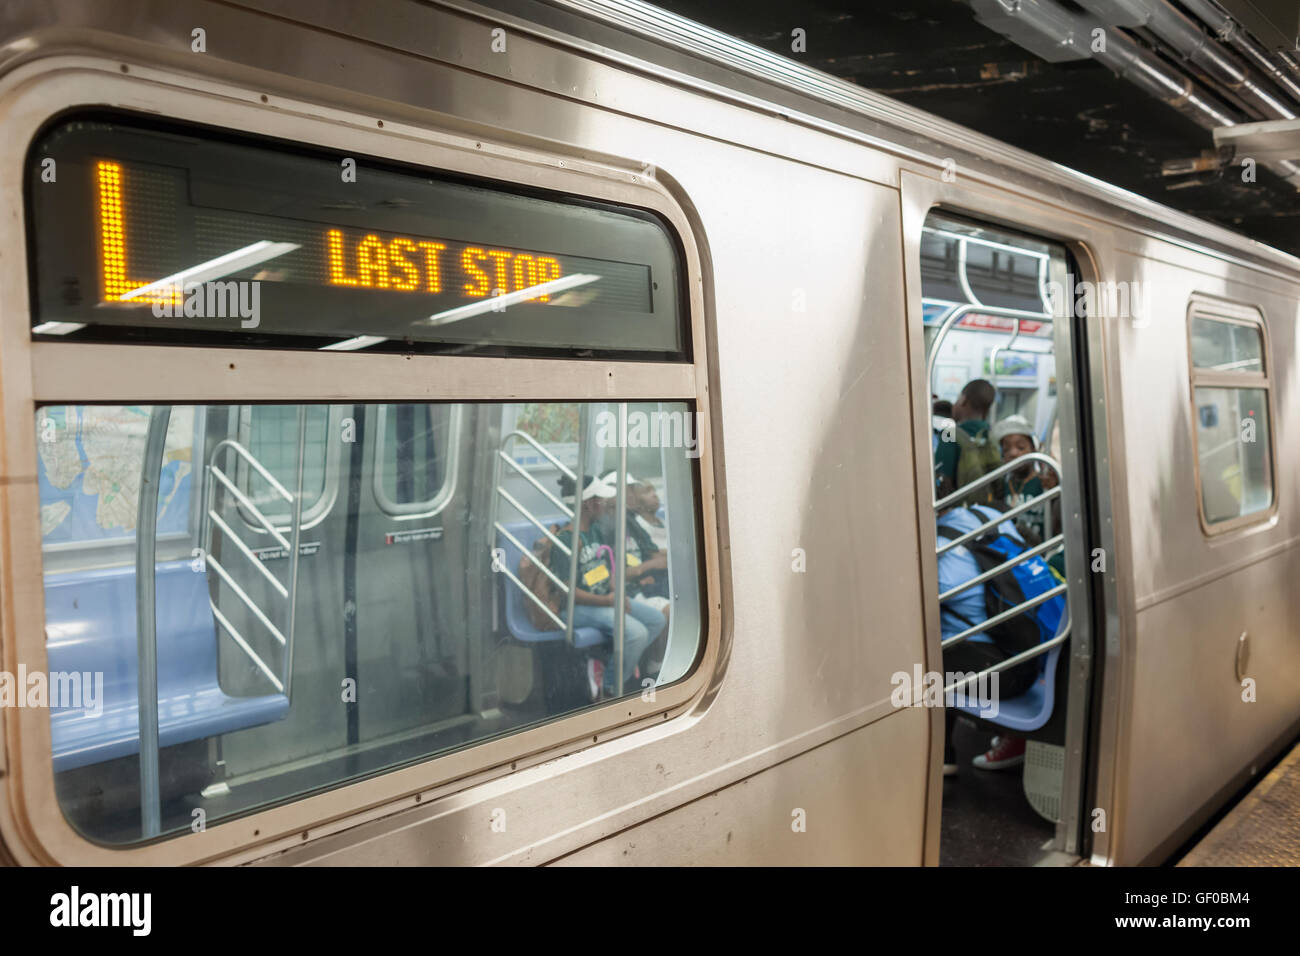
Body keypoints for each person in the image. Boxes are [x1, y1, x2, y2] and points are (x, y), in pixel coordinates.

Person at [937, 504, 1049, 776]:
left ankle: (939, 754)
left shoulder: (940, 548)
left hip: (1001, 680)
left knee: (920, 664)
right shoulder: (988, 515)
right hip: (1030, 663)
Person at [551, 474, 665, 701]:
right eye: (600, 500)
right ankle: (610, 689)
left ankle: (615, 666)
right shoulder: (566, 540)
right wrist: (607, 601)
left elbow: (606, 567)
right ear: (588, 504)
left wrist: (617, 591)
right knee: (636, 634)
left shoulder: (594, 531)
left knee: (657, 621)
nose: (604, 505)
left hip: (606, 598)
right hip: (579, 606)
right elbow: (567, 591)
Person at [992, 414, 1064, 578]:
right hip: (1011, 559)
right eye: (1007, 449)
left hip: (1041, 558)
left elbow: (1059, 525)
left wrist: (1055, 492)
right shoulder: (1000, 485)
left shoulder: (1046, 483)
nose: (1013, 453)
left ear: (1034, 449)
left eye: (1021, 447)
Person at [934, 379, 1000, 504]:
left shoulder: (950, 433)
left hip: (959, 514)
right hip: (988, 511)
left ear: (963, 399)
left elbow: (941, 478)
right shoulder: (993, 436)